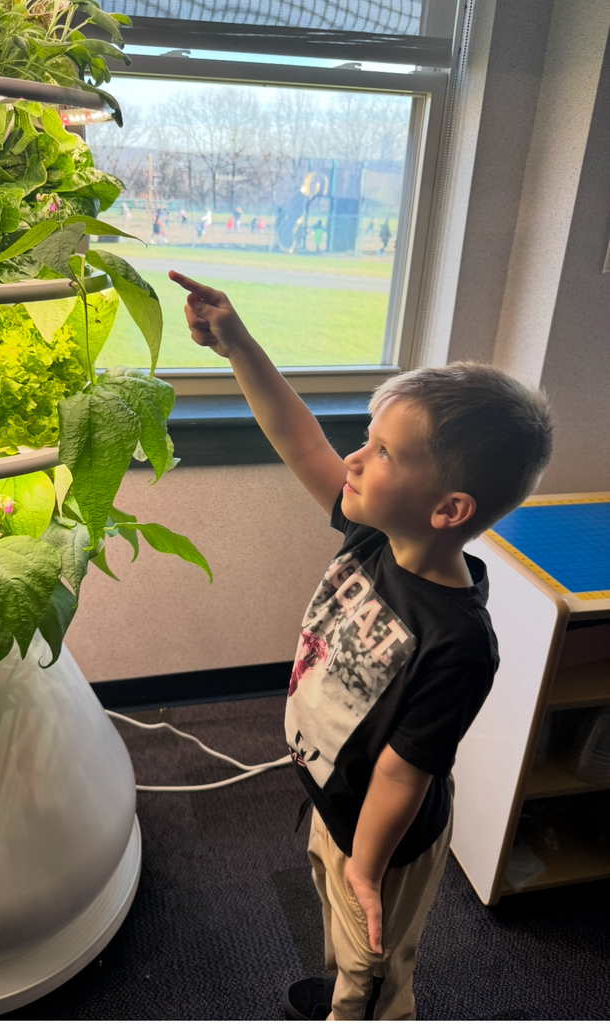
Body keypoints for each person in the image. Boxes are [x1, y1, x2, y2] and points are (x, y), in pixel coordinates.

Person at [167, 270, 553, 1022]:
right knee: (334, 930)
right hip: (336, 806)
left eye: (381, 452)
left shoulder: (460, 640)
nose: (353, 459)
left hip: (387, 846)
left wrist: (368, 871)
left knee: (369, 977)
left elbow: (406, 775)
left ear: (449, 508)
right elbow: (301, 438)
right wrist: (236, 342)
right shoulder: (374, 536)